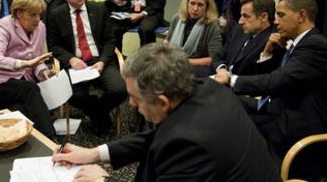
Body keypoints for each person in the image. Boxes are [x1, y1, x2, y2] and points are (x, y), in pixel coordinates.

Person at [52, 43, 281, 182]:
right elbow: (158, 137)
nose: (130, 104)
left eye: (135, 98)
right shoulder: (207, 88)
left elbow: (174, 140)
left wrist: (102, 179)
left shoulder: (187, 147)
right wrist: (93, 154)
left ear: (162, 101)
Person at [213, 0, 327, 171]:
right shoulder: (296, 43)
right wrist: (266, 53)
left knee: (233, 126)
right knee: (226, 100)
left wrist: (231, 79)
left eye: (281, 15)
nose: (275, 22)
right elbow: (274, 80)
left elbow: (277, 80)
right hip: (278, 107)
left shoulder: (315, 45)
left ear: (301, 16)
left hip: (297, 123)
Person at [47, 0, 127, 135]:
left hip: (100, 60)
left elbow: (110, 40)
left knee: (120, 90)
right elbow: (53, 46)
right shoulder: (56, 15)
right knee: (72, 95)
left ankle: (96, 113)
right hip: (75, 63)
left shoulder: (99, 9)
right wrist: (71, 59)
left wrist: (103, 61)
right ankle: (101, 116)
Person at [0, 0, 56, 138]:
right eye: (32, 15)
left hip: (19, 83)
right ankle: (51, 139)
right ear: (18, 13)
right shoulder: (3, 26)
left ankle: (32, 147)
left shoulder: (40, 27)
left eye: (39, 14)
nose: (37, 19)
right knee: (30, 89)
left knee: (19, 110)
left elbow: (37, 59)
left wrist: (43, 72)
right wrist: (23, 63)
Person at [211, 0, 278, 77]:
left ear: (263, 17)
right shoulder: (239, 30)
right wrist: (222, 70)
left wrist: (229, 79)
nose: (240, 21)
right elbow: (218, 56)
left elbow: (261, 77)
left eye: (246, 16)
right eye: (241, 15)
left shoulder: (273, 41)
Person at [165, 0, 221, 66]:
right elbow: (167, 41)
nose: (195, 8)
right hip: (173, 62)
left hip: (195, 67)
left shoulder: (212, 26)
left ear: (207, 7)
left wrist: (185, 62)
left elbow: (213, 58)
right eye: (192, 3)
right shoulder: (177, 18)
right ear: (187, 3)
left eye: (200, 5)